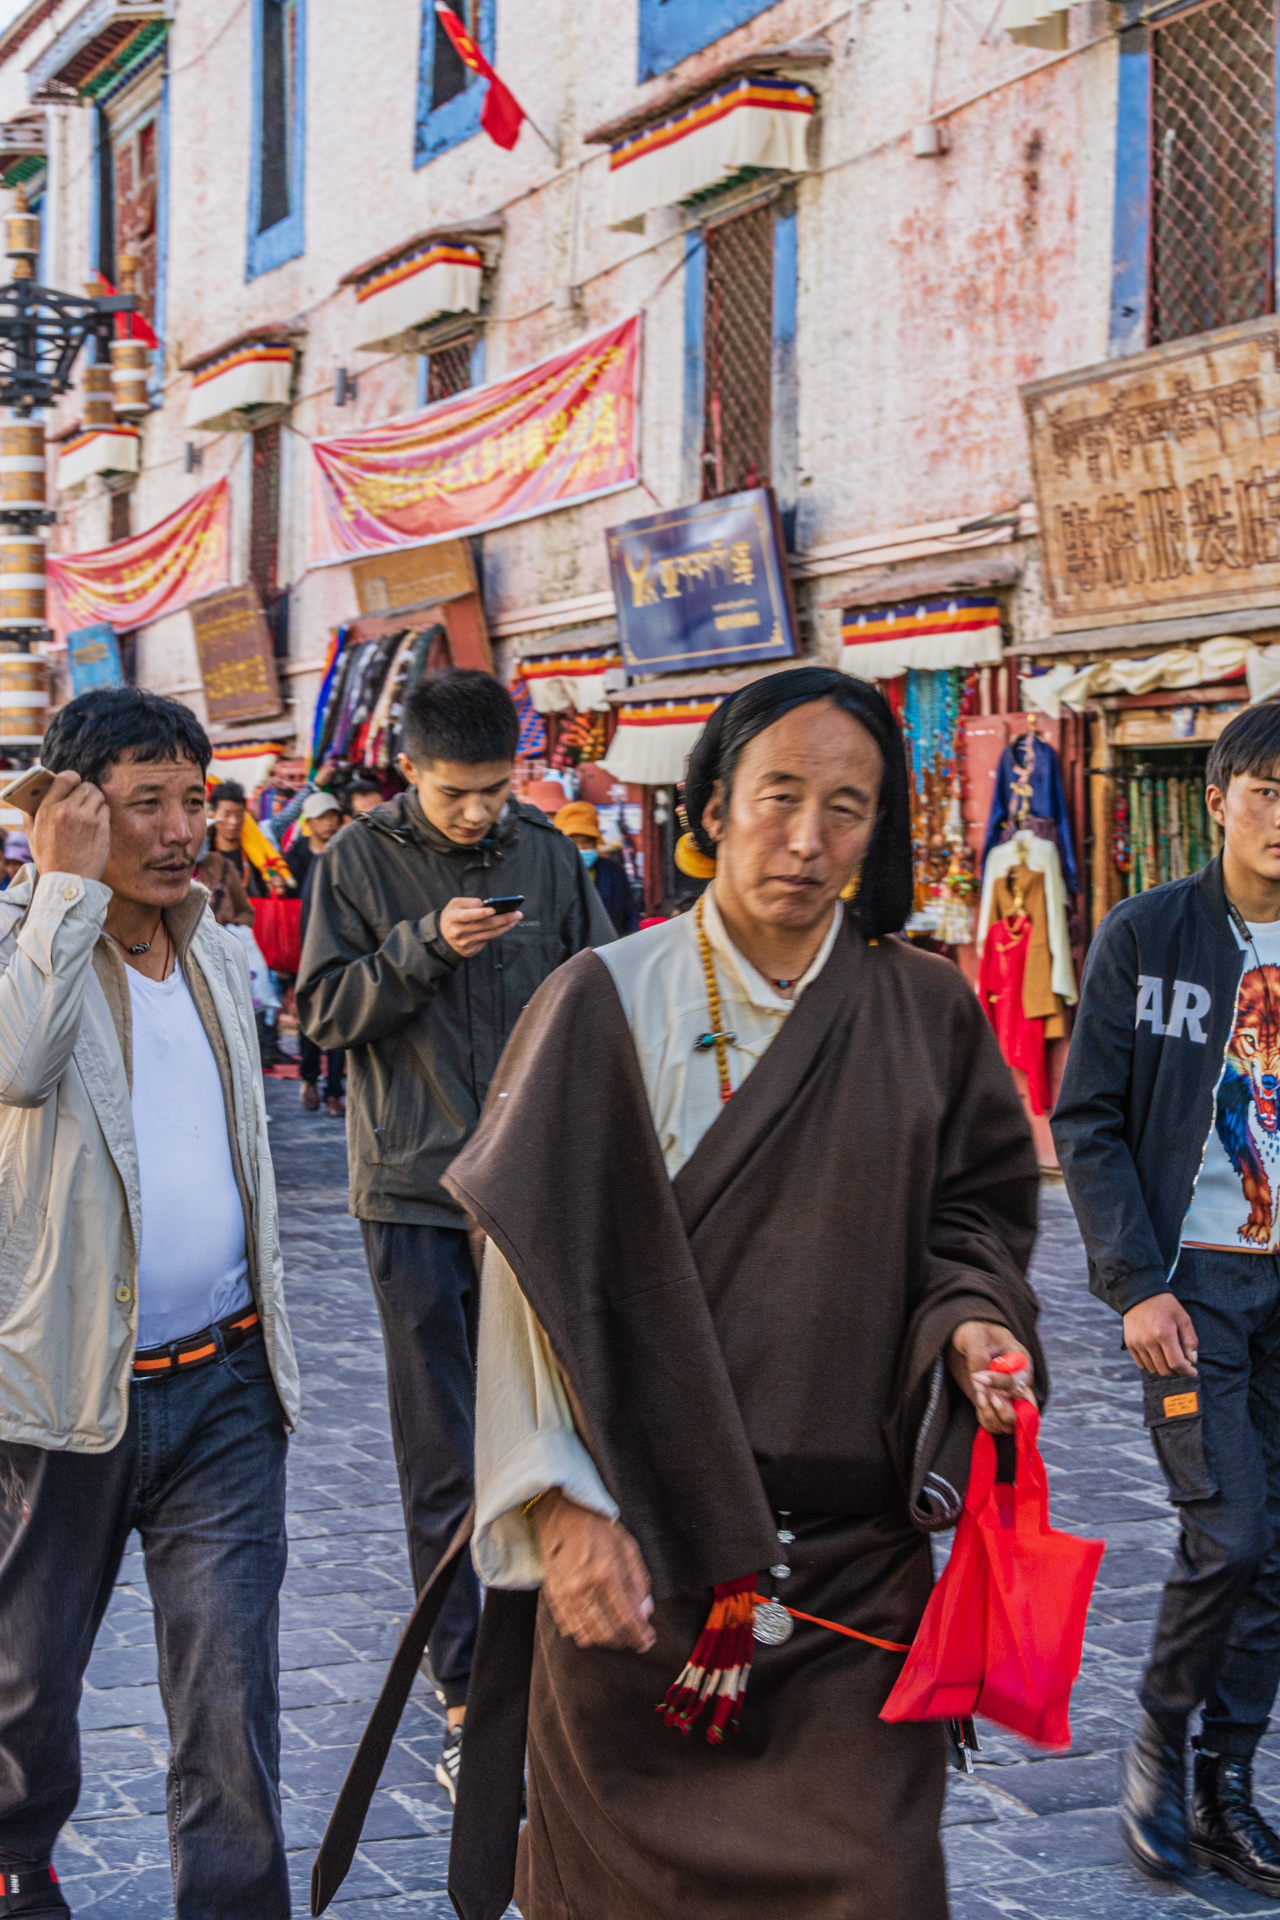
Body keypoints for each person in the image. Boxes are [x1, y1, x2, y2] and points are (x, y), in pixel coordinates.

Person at [444, 667, 1044, 1920]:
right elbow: (526, 1278)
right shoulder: (603, 1000)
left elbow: (972, 1211)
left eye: (847, 807)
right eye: (779, 796)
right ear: (711, 807)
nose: (809, 838)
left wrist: (970, 1318)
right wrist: (555, 1509)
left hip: (848, 1583)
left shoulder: (922, 1009)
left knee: (871, 1885)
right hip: (640, 1565)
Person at [0, 688, 299, 1920]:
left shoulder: (219, 950)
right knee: (25, 1688)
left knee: (231, 1698)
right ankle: (17, 1873)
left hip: (223, 1384)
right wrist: (60, 888)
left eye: (194, 798)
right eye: (144, 804)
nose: (183, 830)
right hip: (66, 1389)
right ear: (77, 812)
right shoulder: (24, 942)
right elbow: (20, 1059)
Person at [296, 668, 615, 1801]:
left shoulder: (547, 855)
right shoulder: (356, 863)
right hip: (415, 1195)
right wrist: (424, 945)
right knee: (442, 1454)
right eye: (456, 793)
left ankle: (562, 1671)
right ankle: (470, 1692)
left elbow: (601, 989)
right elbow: (322, 1014)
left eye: (495, 789)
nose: (479, 812)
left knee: (558, 1436)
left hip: (533, 1195)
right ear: (410, 773)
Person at [1054, 701, 1280, 1898]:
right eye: (1266, 794)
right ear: (1216, 801)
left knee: (1279, 1551)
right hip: (1192, 1294)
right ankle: (1157, 1745)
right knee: (1226, 1533)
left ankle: (1226, 1789)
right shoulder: (1146, 939)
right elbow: (1083, 1117)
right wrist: (1134, 1283)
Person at [294, 791, 346, 1116]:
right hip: (304, 948)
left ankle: (334, 1091)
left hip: (340, 947)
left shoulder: (346, 852)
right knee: (308, 1017)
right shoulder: (295, 856)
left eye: (333, 816)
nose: (328, 824)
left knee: (340, 1017)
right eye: (322, 817)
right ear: (309, 822)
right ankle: (310, 1078)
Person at [553, 798, 638, 935]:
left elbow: (629, 919)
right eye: (573, 842)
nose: (580, 848)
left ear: (595, 843)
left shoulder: (614, 872)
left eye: (586, 842)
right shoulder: (550, 874)